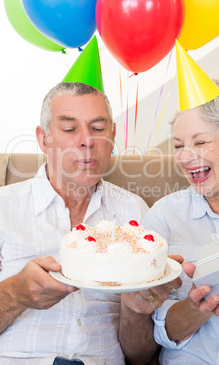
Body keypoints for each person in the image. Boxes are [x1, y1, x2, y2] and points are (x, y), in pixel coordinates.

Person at [0, 81, 182, 365]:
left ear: (112, 135)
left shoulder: (134, 212)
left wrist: (135, 311)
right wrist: (15, 293)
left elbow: (141, 357)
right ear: (43, 138)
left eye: (98, 128)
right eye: (70, 129)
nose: (87, 140)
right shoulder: (4, 207)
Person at [140, 79, 219, 364]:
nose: (185, 157)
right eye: (178, 145)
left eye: (200, 142)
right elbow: (154, 329)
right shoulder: (163, 217)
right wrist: (195, 310)